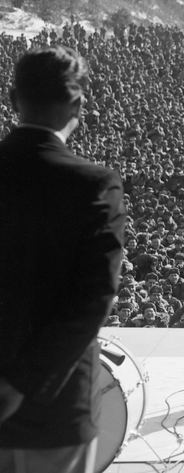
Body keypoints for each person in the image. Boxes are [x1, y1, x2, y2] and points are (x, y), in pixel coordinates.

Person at [0, 46, 126, 472]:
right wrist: (21, 384)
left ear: (13, 99)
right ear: (78, 105)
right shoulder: (93, 185)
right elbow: (93, 300)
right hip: (52, 412)